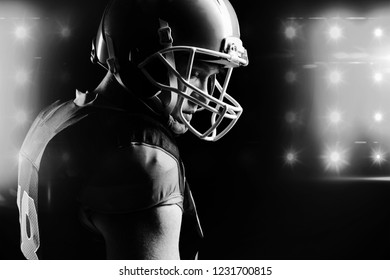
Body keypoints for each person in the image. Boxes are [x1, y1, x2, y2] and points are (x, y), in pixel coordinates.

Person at [16, 0, 248, 260]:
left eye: (213, 75)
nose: (205, 96)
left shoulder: (54, 116)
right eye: (194, 72)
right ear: (139, 56)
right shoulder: (141, 158)